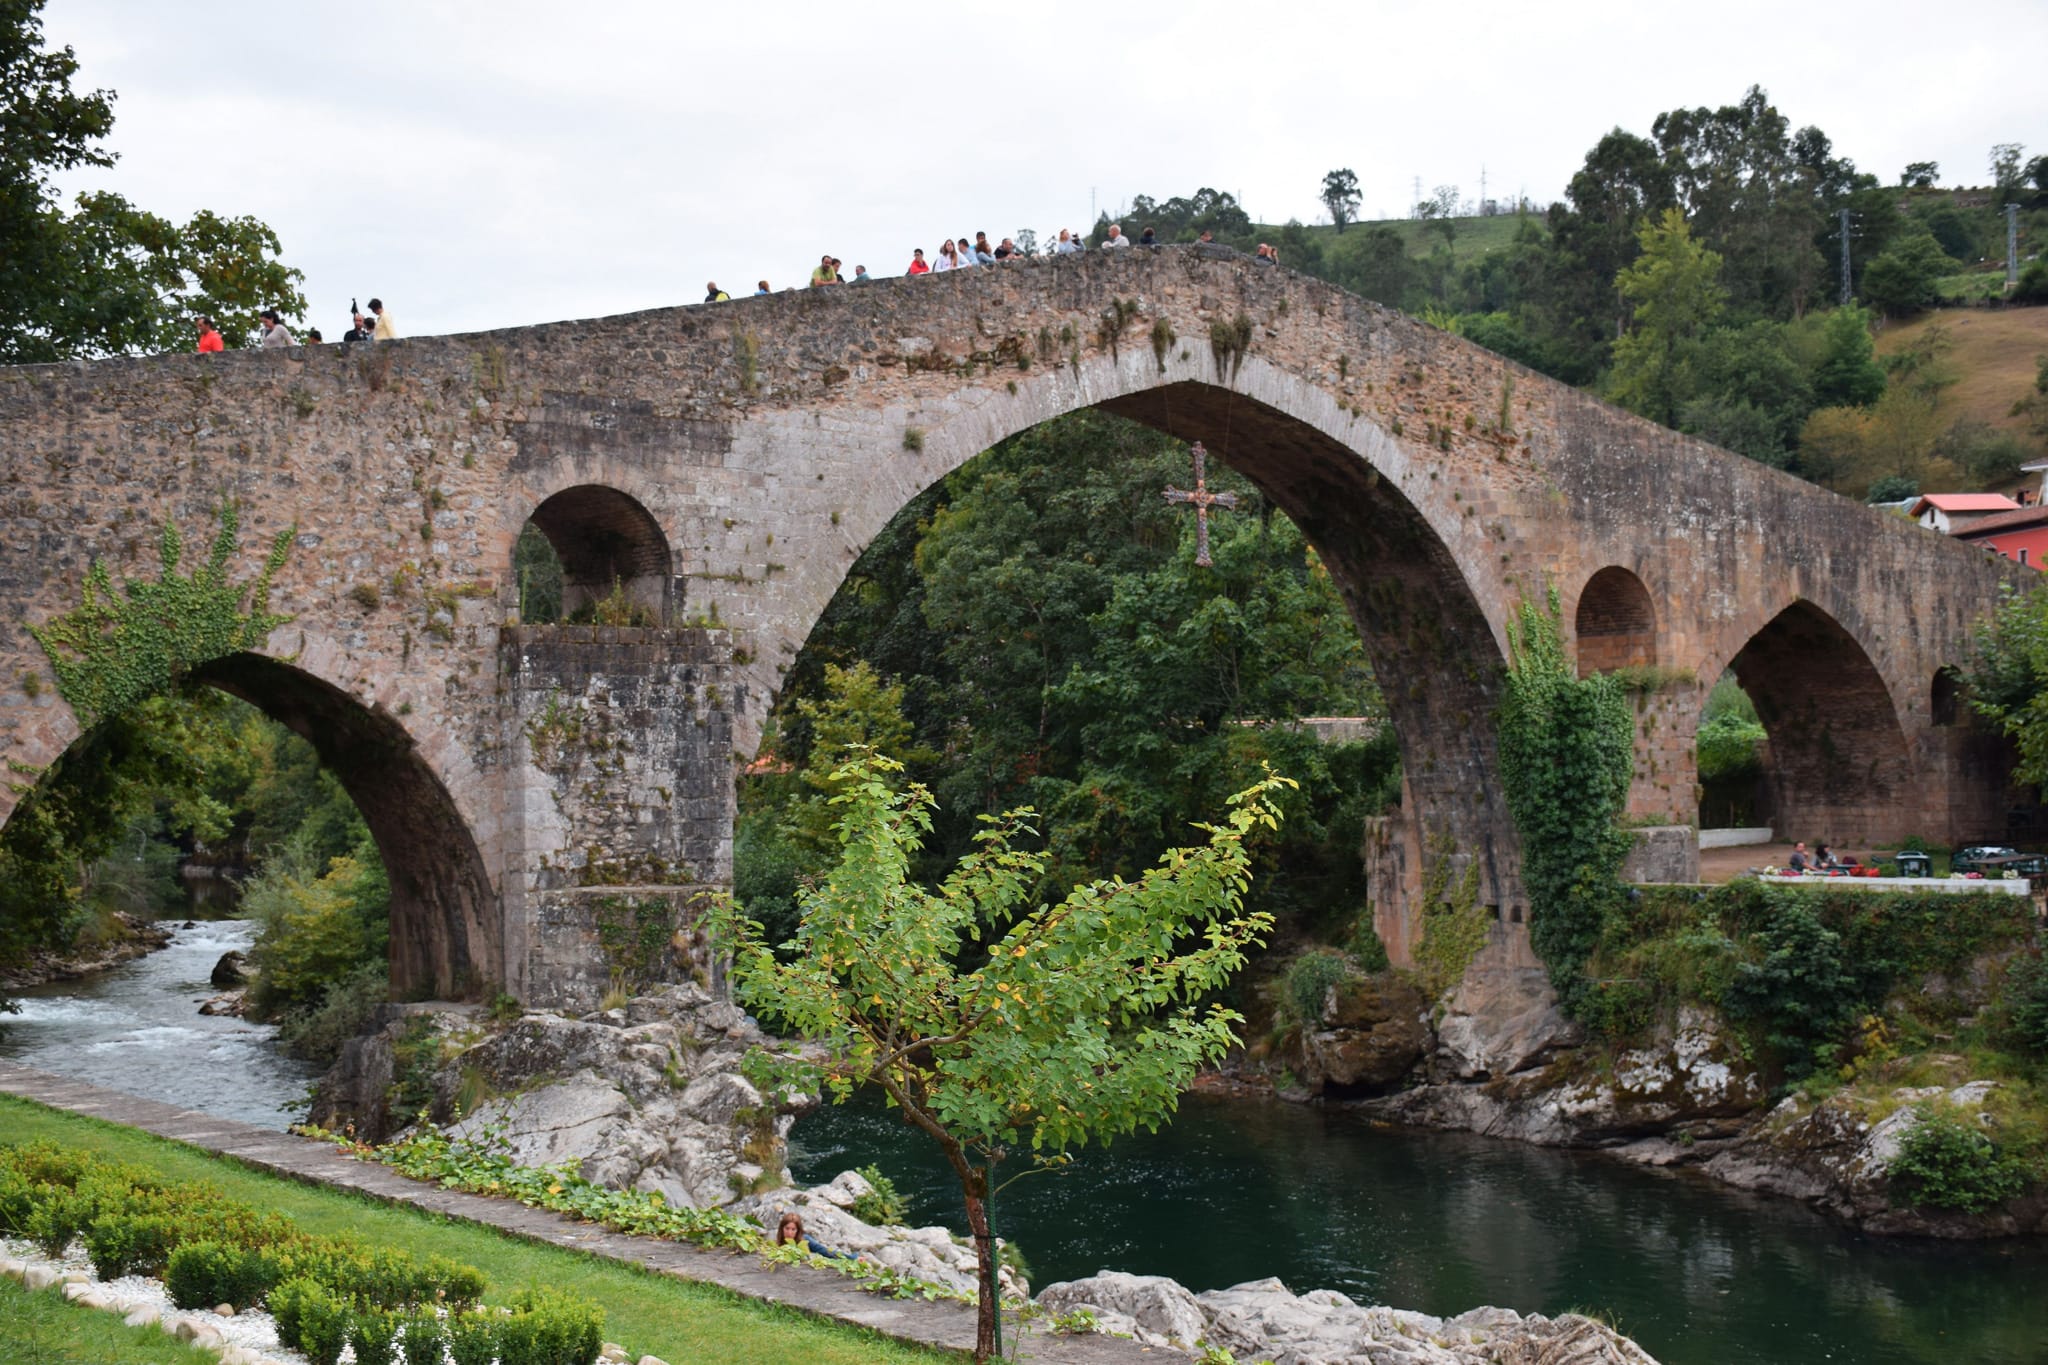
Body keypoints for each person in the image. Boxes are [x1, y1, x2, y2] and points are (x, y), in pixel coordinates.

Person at [773, 1213, 852, 1261]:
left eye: (793, 1229)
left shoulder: (805, 1240)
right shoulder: (777, 1242)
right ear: (782, 1228)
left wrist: (851, 1258)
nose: (789, 1233)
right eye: (787, 1228)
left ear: (798, 1230)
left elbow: (826, 1252)